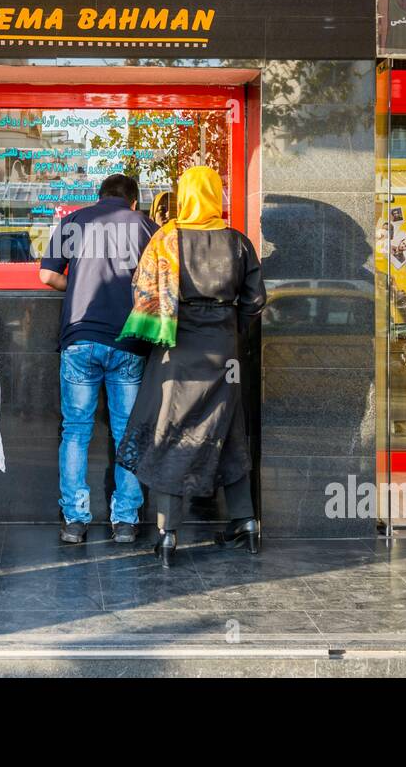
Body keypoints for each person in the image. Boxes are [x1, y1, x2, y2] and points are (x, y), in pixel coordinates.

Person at [116, 166, 266, 566]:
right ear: (216, 195)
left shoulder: (167, 238)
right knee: (229, 431)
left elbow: (143, 289)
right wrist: (232, 330)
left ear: (184, 196)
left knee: (172, 432)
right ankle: (246, 524)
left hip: (177, 348)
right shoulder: (238, 242)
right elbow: (254, 302)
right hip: (224, 348)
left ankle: (167, 534)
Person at [39, 173, 159, 544]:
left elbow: (47, 275)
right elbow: (160, 280)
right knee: (127, 431)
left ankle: (74, 521)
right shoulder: (146, 226)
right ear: (134, 202)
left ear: (100, 196)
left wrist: (75, 284)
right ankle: (124, 520)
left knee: (75, 431)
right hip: (127, 341)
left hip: (79, 337)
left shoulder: (73, 221)